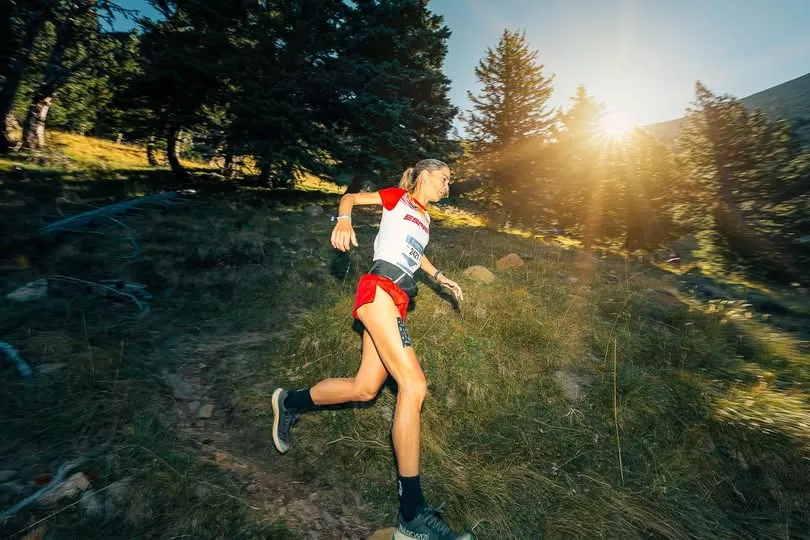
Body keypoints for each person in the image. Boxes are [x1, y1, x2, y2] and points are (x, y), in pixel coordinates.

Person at [271, 159, 473, 540]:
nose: (448, 187)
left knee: (365, 388)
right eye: (444, 179)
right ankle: (411, 514)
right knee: (414, 387)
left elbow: (416, 253)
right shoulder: (397, 197)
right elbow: (349, 198)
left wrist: (439, 276)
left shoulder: (424, 218)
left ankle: (290, 402)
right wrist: (342, 220)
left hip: (396, 301)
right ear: (424, 175)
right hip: (378, 290)